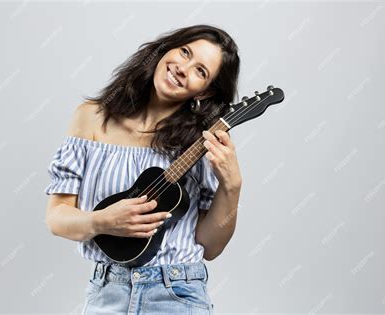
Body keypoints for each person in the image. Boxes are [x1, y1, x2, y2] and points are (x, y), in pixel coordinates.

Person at [44, 24, 242, 314]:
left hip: (178, 293)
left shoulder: (202, 140)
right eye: (184, 52)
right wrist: (102, 221)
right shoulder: (90, 117)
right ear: (166, 49)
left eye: (201, 71)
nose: (183, 68)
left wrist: (232, 186)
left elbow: (210, 247)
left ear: (207, 90)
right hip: (106, 293)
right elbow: (57, 219)